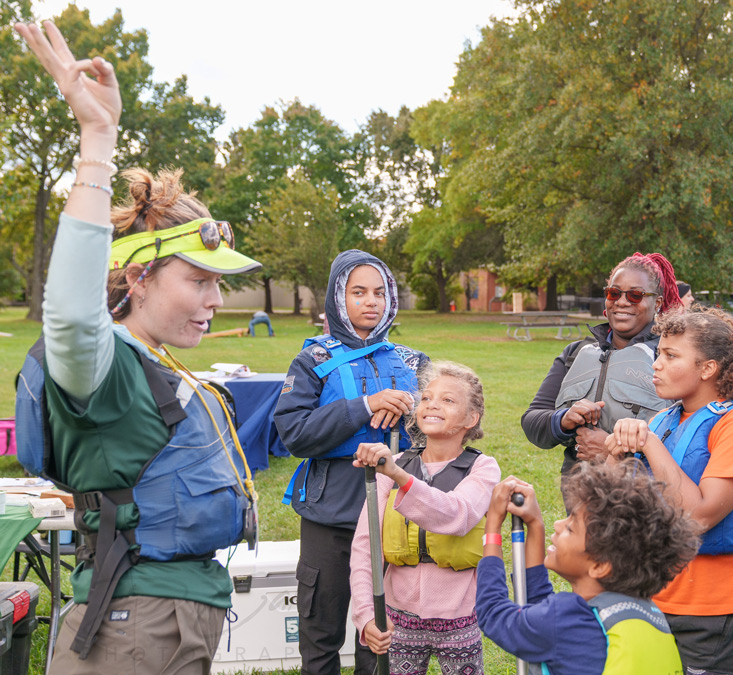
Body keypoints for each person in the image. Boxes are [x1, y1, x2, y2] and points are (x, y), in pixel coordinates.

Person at [13, 20, 260, 673]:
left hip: (174, 619)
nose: (215, 299)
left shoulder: (155, 363)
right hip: (130, 627)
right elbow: (68, 315)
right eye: (199, 280)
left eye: (219, 283)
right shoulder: (106, 366)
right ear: (139, 278)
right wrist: (98, 139)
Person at [274, 250, 429, 675]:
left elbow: (439, 434)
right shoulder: (312, 361)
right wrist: (363, 405)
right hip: (332, 515)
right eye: (358, 292)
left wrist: (414, 413)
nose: (371, 301)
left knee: (381, 634)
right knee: (320, 630)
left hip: (393, 513)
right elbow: (294, 434)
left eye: (380, 292)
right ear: (338, 297)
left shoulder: (414, 362)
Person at [606, 307, 733, 675]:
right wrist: (616, 455)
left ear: (707, 368)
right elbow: (616, 509)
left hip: (713, 609)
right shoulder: (664, 419)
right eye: (658, 353)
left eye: (670, 356)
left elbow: (697, 516)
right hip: (653, 595)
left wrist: (649, 444)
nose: (656, 364)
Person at [349, 362, 500, 675]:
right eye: (428, 397)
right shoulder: (395, 466)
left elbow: (457, 515)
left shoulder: (483, 469)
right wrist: (366, 617)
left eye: (448, 400)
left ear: (471, 418)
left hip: (459, 616)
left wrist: (399, 476)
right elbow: (365, 549)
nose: (432, 404)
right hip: (398, 616)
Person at [476, 462, 698, 675]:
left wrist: (493, 523)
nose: (558, 524)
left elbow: (492, 612)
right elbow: (540, 609)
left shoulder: (565, 620)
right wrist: (535, 525)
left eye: (571, 528)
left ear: (599, 566)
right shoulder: (645, 616)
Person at [521, 253, 679, 480]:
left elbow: (688, 442)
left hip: (646, 498)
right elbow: (532, 420)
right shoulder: (575, 353)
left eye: (636, 295)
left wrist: (612, 451)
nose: (622, 302)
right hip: (581, 498)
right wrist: (563, 420)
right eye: (614, 293)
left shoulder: (670, 357)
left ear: (657, 303)